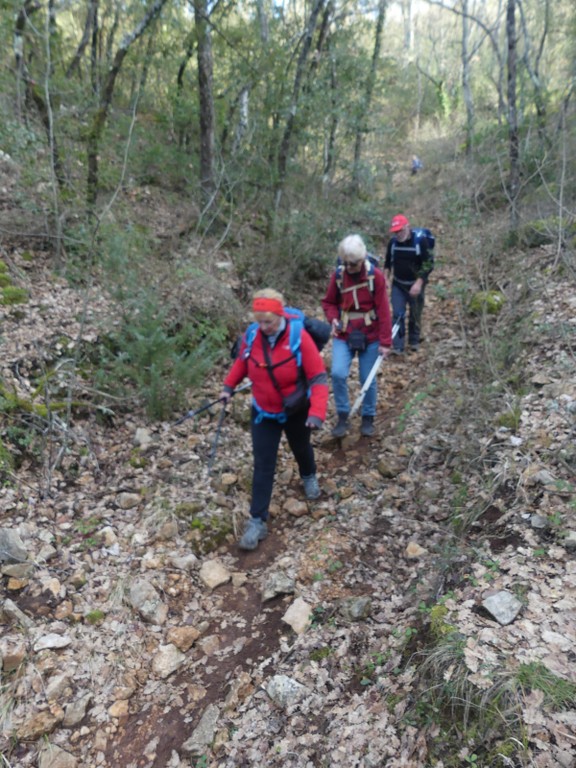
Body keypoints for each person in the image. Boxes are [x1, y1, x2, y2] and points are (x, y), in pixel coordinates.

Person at [220, 288, 329, 551]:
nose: (264, 327)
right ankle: (257, 521)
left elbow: (317, 378)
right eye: (260, 321)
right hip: (263, 411)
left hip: (295, 408)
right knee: (263, 463)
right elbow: (241, 364)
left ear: (280, 316)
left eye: (269, 321)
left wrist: (316, 413)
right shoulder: (252, 335)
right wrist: (228, 387)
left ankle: (308, 475)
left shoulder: (298, 337)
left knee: (301, 447)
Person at [321, 234, 392, 439]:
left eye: (353, 264)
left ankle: (368, 416)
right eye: (346, 263)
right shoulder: (339, 276)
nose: (350, 267)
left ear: (362, 260)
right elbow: (329, 302)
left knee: (366, 378)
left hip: (371, 333)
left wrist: (386, 342)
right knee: (337, 373)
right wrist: (333, 318)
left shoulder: (375, 276)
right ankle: (343, 414)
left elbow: (384, 310)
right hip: (344, 332)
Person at [384, 214, 434, 355]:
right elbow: (387, 263)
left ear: (407, 227)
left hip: (416, 284)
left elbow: (428, 265)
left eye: (400, 230)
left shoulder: (420, 242)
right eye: (395, 231)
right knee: (398, 315)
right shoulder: (393, 243)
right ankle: (398, 346)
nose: (398, 234)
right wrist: (386, 279)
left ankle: (414, 341)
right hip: (398, 284)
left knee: (415, 313)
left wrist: (419, 283)